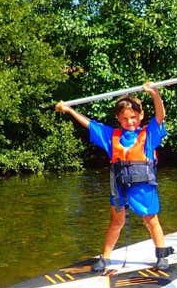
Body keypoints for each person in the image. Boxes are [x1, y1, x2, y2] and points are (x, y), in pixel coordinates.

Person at [55, 83, 171, 273]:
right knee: (116, 222)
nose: (130, 121)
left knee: (150, 220)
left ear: (141, 116)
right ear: (118, 118)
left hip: (143, 186)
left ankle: (161, 255)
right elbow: (90, 124)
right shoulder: (111, 136)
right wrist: (69, 110)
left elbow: (160, 115)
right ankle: (106, 257)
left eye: (133, 117)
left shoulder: (149, 134)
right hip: (119, 186)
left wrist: (154, 93)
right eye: (125, 118)